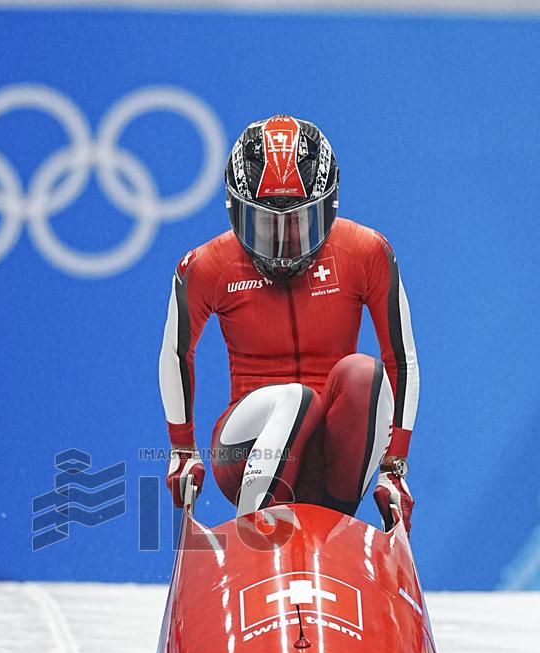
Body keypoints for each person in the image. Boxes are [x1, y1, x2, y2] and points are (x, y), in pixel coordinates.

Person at [159, 115, 419, 532]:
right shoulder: (207, 265)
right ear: (235, 212)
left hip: (332, 459)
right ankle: (254, 534)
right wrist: (182, 449)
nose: (282, 247)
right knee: (296, 398)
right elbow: (176, 352)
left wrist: (394, 467)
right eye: (264, 224)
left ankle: (331, 529)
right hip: (241, 454)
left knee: (363, 373)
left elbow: (399, 359)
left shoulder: (367, 252)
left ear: (329, 209)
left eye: (298, 223)